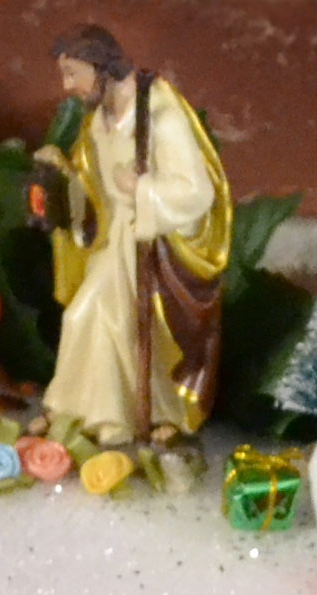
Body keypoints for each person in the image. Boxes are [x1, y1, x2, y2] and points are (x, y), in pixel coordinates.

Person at [33, 27, 232, 447]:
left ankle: (125, 418)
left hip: (152, 248)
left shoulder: (159, 116)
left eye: (73, 73)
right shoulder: (97, 121)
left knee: (108, 320)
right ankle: (79, 412)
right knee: (87, 316)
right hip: (114, 243)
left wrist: (143, 191)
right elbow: (94, 195)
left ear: (101, 67)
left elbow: (197, 193)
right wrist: (61, 182)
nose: (67, 86)